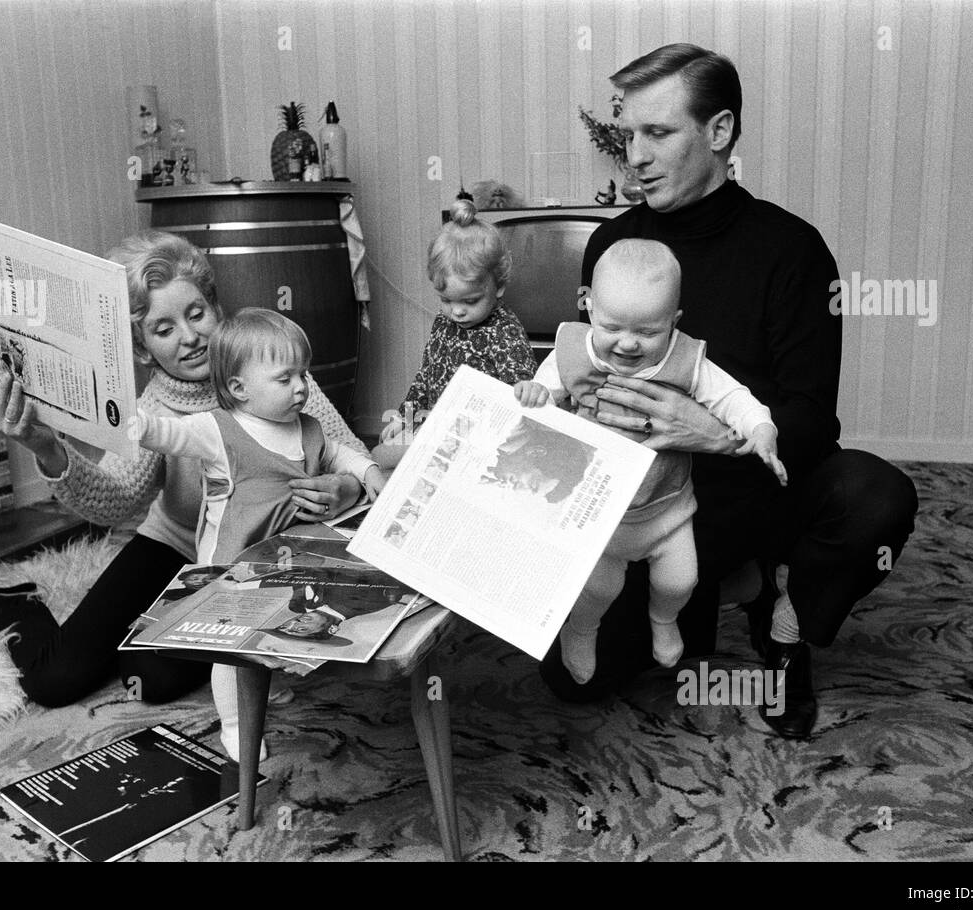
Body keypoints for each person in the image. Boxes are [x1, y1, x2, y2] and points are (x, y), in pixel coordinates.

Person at [539, 43, 918, 740]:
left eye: (658, 133)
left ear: (719, 133)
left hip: (753, 492)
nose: (636, 156)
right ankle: (718, 589)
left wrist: (713, 433)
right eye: (629, 135)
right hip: (644, 507)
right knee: (571, 684)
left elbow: (810, 424)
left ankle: (784, 622)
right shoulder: (612, 248)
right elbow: (577, 383)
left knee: (874, 496)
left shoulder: (792, 250)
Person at [0, 232, 365, 758]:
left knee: (150, 679)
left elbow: (350, 453)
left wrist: (344, 485)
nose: (189, 337)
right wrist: (47, 448)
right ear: (142, 345)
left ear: (217, 307)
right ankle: (15, 600)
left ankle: (157, 635)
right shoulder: (155, 408)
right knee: (54, 680)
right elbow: (115, 502)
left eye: (197, 313)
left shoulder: (269, 371)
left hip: (256, 558)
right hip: (171, 546)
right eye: (163, 328)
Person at [515, 238, 785, 684]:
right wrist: (535, 392)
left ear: (674, 323)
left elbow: (733, 397)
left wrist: (760, 428)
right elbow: (546, 392)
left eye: (647, 333)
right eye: (613, 326)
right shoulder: (573, 352)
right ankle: (580, 632)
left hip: (667, 508)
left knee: (680, 581)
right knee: (598, 588)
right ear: (587, 306)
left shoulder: (685, 360)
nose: (627, 344)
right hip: (598, 513)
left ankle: (663, 620)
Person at [133, 307, 386, 758]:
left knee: (283, 620)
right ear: (238, 388)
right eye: (285, 378)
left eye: (303, 375)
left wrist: (368, 471)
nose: (302, 387)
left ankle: (267, 681)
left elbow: (339, 454)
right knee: (230, 648)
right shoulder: (218, 430)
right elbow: (168, 435)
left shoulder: (307, 427)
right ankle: (234, 723)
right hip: (232, 562)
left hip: (287, 556)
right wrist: (133, 424)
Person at [379, 199, 537, 450]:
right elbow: (425, 376)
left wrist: (526, 391)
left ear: (499, 286)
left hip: (481, 439)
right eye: (446, 300)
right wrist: (404, 418)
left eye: (471, 301)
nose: (457, 311)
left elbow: (518, 388)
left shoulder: (504, 330)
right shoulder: (444, 322)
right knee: (383, 452)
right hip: (437, 428)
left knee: (392, 457)